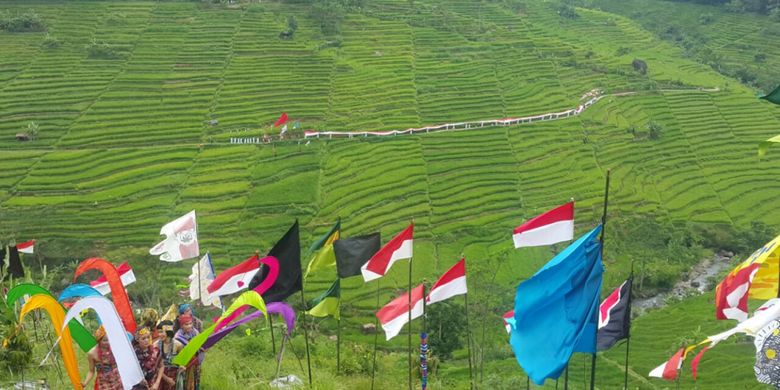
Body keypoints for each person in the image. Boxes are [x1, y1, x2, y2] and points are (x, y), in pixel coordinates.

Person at [173, 314, 201, 390]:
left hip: (195, 363)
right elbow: (175, 354)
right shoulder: (177, 337)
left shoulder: (195, 332)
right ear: (181, 325)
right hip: (184, 365)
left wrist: (202, 348)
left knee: (195, 382)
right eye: (186, 324)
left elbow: (200, 344)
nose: (189, 326)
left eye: (190, 323)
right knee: (184, 384)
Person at [153, 321, 178, 390]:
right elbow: (155, 366)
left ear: (168, 331)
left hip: (174, 378)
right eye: (158, 332)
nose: (159, 334)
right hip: (160, 377)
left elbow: (183, 362)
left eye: (162, 332)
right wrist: (167, 379)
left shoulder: (178, 345)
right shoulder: (155, 345)